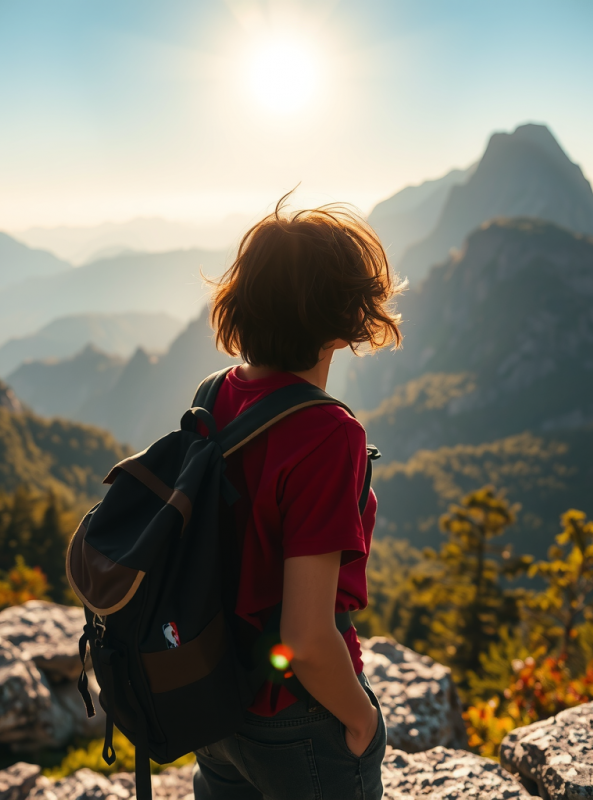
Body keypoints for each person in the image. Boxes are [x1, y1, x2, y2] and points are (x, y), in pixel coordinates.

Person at [192, 193, 404, 800]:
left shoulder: (216, 395)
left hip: (215, 699)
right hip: (297, 715)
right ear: (344, 314)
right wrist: (361, 719)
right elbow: (307, 638)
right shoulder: (328, 433)